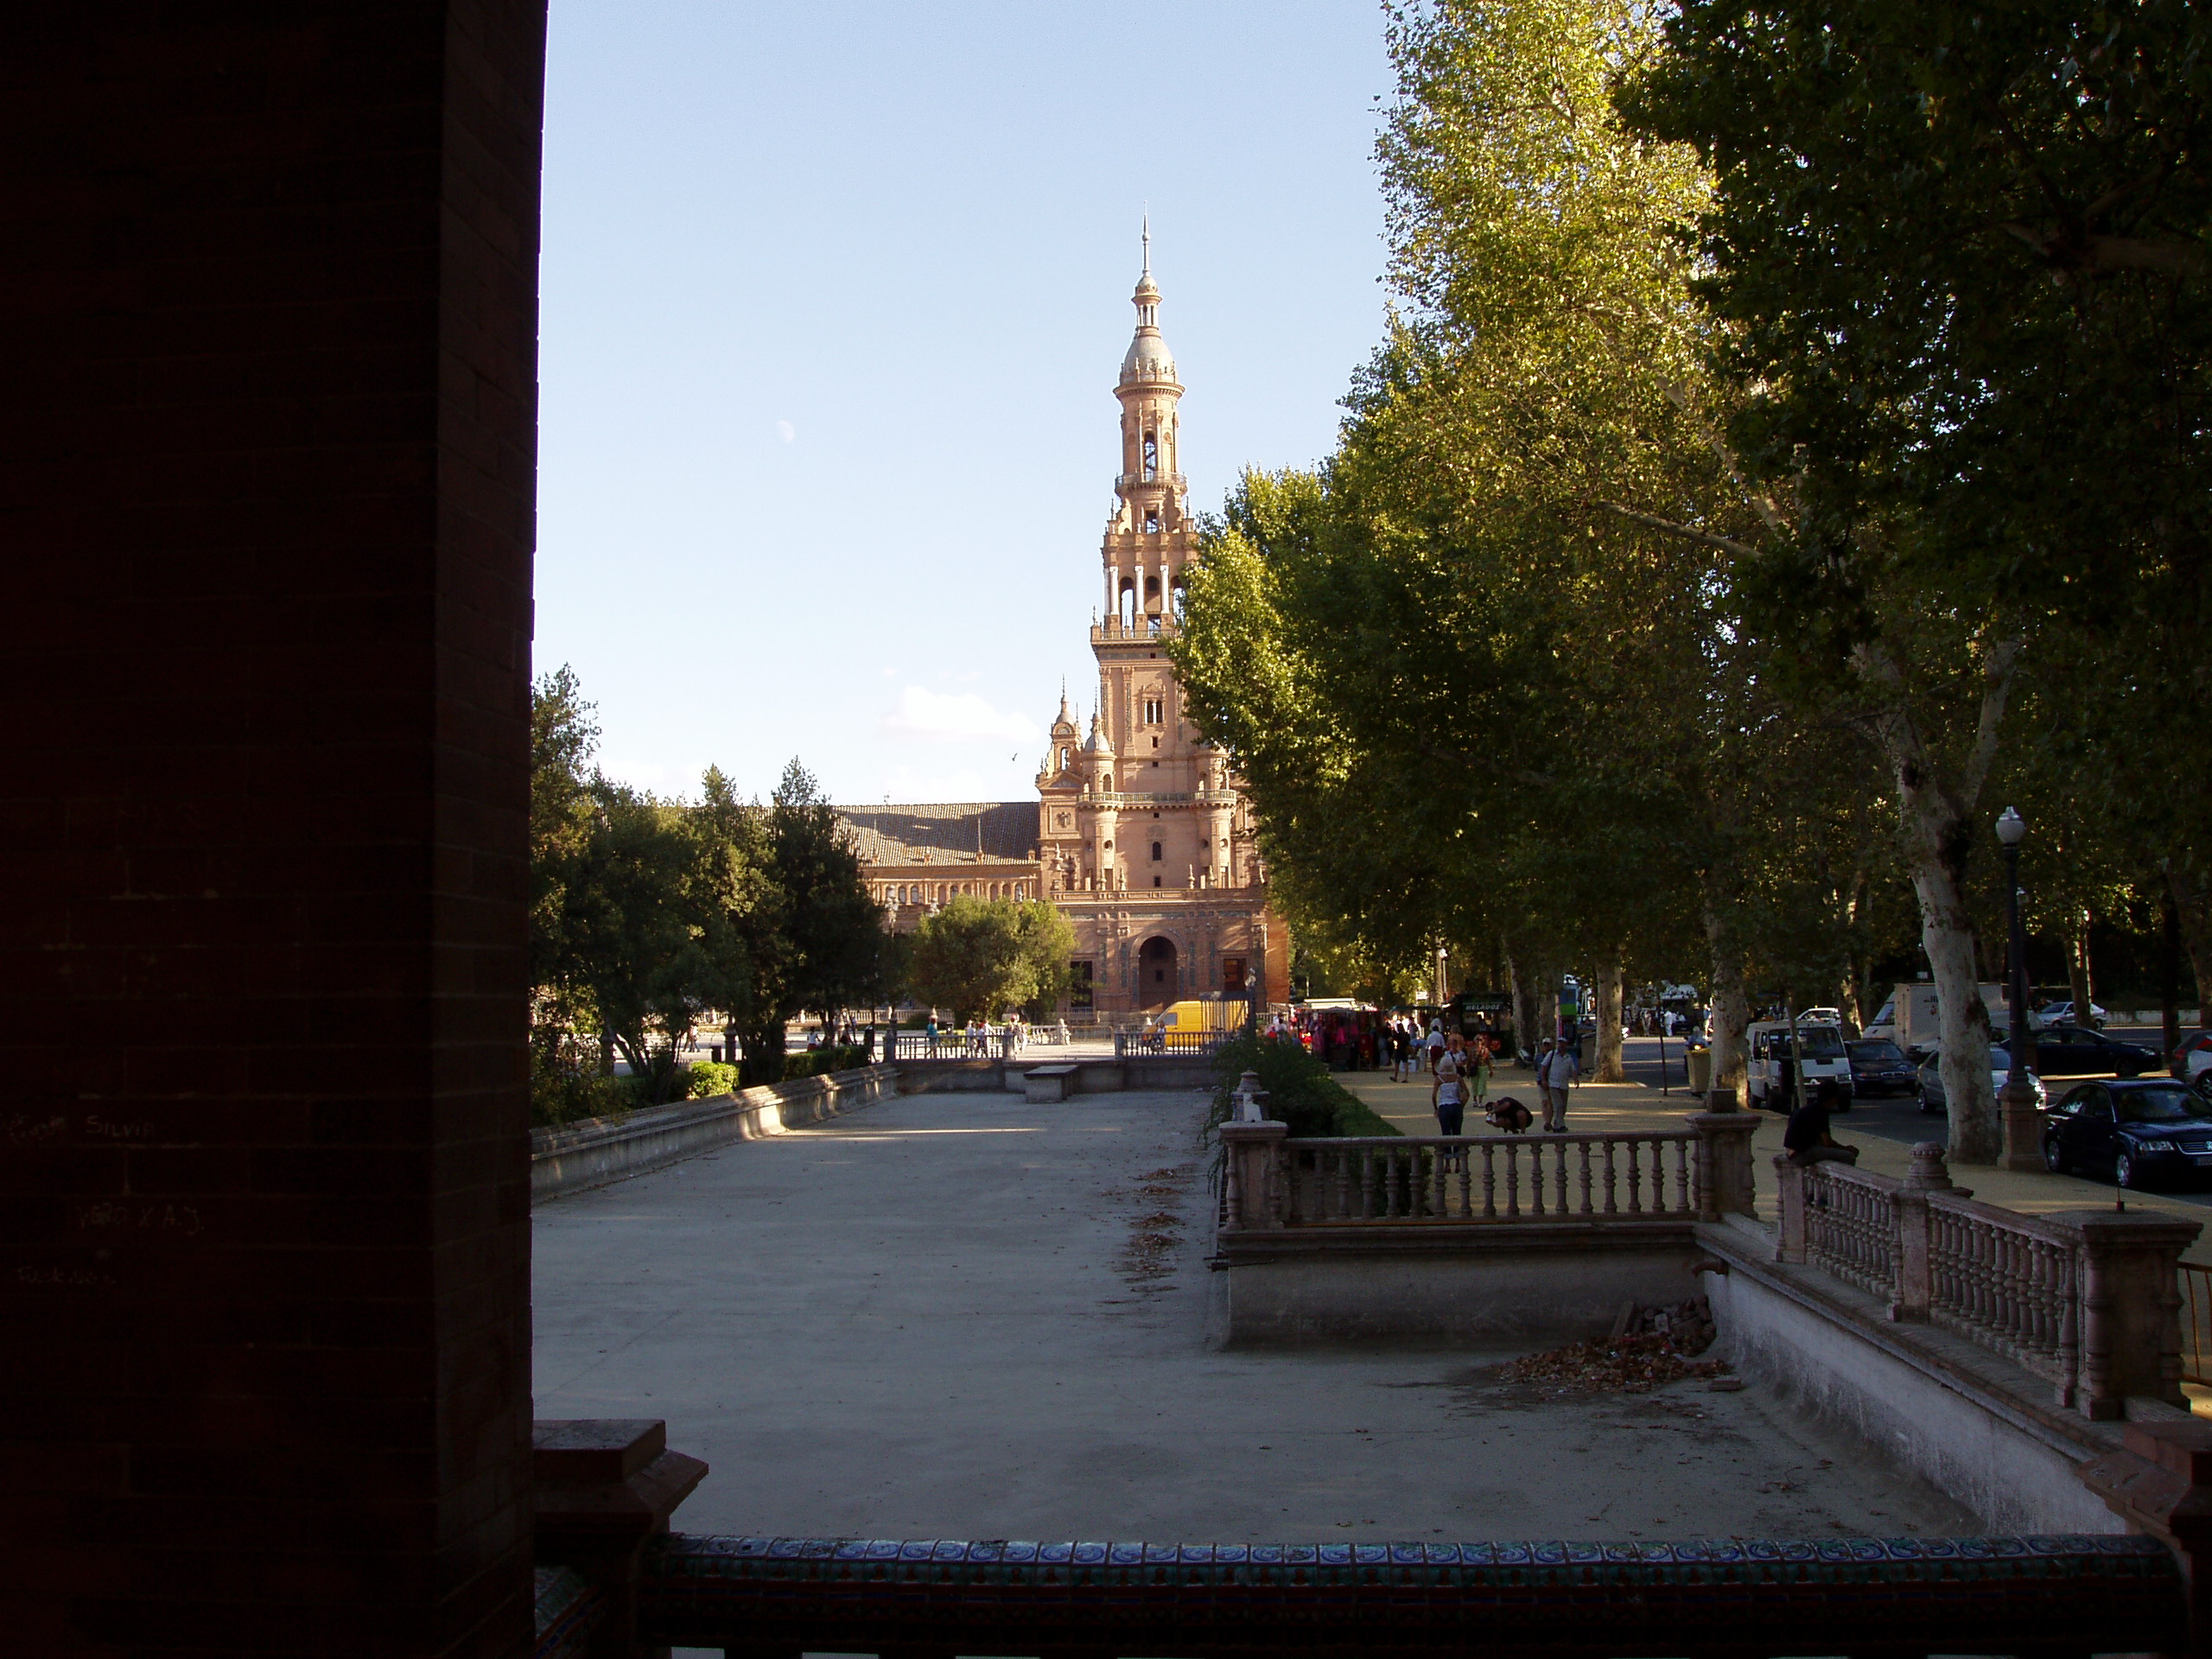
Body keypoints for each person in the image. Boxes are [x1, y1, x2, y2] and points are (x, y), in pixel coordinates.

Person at [1785, 1079, 1860, 1166]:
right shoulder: (1820, 1111)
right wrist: (1845, 1149)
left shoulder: (1807, 1108)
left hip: (1791, 1152)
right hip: (1800, 1154)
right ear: (1833, 1098)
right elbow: (1827, 1142)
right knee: (1848, 1156)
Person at [1433, 1041, 1467, 1140]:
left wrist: (1436, 1109)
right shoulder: (1457, 1077)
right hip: (1456, 1105)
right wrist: (1462, 1105)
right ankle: (1457, 1149)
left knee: (1445, 1134)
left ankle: (1447, 1149)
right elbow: (1467, 1093)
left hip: (1444, 1106)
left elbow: (1434, 1096)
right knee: (1457, 1133)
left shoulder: (1439, 1079)